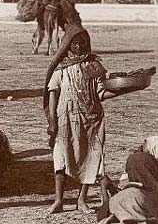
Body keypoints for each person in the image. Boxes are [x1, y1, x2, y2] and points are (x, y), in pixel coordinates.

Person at [44, 23, 121, 214]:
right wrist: (52, 121)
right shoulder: (60, 68)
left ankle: (81, 200)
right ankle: (58, 200)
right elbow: (53, 94)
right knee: (61, 157)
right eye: (75, 43)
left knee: (91, 157)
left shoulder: (94, 66)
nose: (79, 47)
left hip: (92, 119)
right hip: (66, 118)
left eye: (83, 43)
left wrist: (124, 89)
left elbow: (100, 93)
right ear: (68, 45)